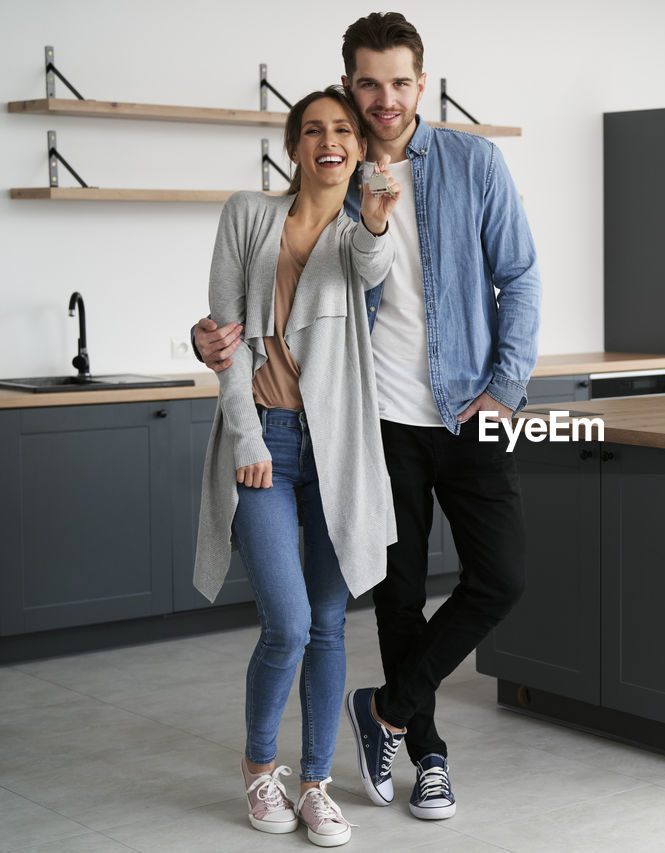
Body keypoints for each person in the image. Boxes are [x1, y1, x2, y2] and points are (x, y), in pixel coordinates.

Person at [193, 11, 541, 822]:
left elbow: (518, 276)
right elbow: (260, 292)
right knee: (396, 595)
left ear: (421, 83)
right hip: (369, 422)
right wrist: (208, 336)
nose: (383, 99)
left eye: (398, 82)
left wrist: (506, 386)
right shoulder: (332, 176)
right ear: (347, 85)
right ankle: (427, 756)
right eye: (367, 84)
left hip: (468, 407)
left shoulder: (470, 161)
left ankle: (381, 711)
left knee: (502, 575)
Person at [193, 86, 402, 846]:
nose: (329, 140)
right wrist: (246, 439)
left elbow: (376, 266)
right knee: (284, 622)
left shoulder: (358, 236)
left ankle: (316, 782)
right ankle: (259, 768)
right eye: (313, 129)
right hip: (267, 448)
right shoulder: (248, 215)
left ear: (359, 147)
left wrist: (377, 218)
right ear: (293, 146)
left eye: (343, 129)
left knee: (326, 624)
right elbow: (223, 340)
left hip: (338, 452)